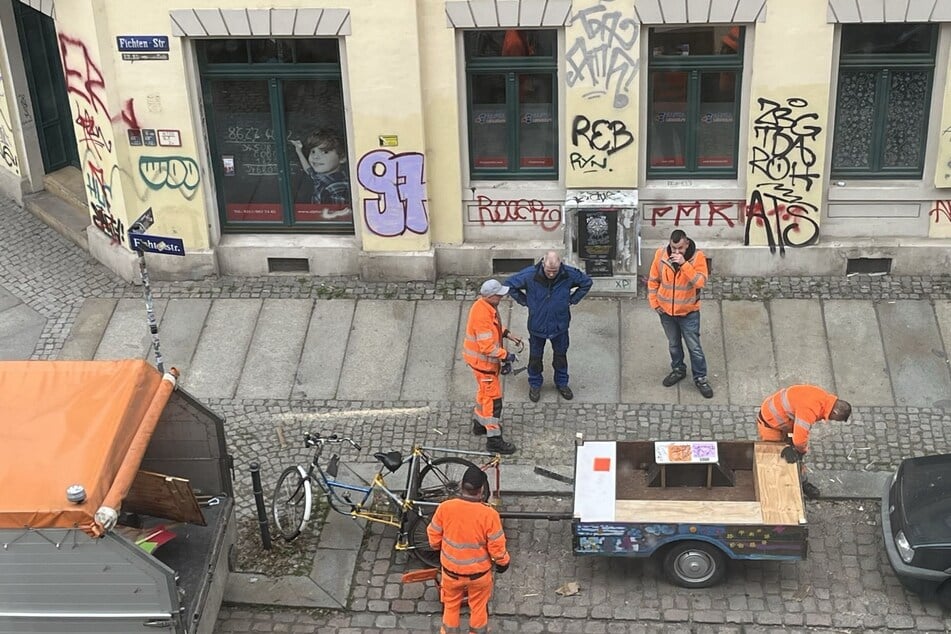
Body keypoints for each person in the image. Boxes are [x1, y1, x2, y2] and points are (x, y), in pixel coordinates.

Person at [427, 465, 510, 634]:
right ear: (481, 490)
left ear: (461, 485)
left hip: (450, 574)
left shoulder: (445, 507)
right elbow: (497, 547)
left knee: (450, 607)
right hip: (479, 576)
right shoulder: (489, 515)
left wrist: (440, 549)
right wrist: (503, 563)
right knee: (479, 608)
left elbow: (433, 536)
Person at [505, 251, 592, 402]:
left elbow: (586, 282)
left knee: (560, 356)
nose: (551, 274)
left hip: (560, 325)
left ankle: (562, 383)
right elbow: (509, 285)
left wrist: (572, 300)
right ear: (543, 264)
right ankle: (535, 384)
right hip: (537, 326)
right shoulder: (530, 275)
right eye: (548, 271)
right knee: (535, 358)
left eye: (554, 271)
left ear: (560, 266)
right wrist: (526, 301)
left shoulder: (568, 274)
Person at [647, 229, 713, 398]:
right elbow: (653, 281)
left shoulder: (697, 258)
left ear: (687, 245)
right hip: (666, 312)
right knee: (674, 344)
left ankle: (700, 378)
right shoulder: (661, 255)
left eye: (680, 249)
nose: (676, 252)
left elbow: (700, 281)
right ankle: (678, 370)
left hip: (688, 312)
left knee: (694, 348)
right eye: (673, 248)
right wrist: (655, 303)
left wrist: (684, 264)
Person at [757, 384, 852, 499]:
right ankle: (779, 491)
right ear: (835, 412)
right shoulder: (810, 409)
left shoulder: (823, 398)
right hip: (771, 424)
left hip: (783, 419)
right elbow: (799, 441)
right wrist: (802, 450)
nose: (834, 420)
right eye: (836, 419)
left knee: (792, 456)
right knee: (778, 460)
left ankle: (801, 482)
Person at [463, 279, 520, 455]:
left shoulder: (483, 306)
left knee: (483, 395)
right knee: (494, 402)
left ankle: (480, 424)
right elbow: (486, 347)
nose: (502, 296)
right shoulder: (483, 314)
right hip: (484, 365)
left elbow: (492, 330)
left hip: (480, 365)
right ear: (491, 296)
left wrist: (507, 334)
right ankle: (494, 440)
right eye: (499, 294)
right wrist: (507, 355)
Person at [288, 129, 350, 206]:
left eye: (325, 152)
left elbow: (338, 216)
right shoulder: (323, 178)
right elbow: (309, 170)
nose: (316, 157)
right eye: (313, 151)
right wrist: (298, 150)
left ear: (342, 157)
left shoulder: (337, 189)